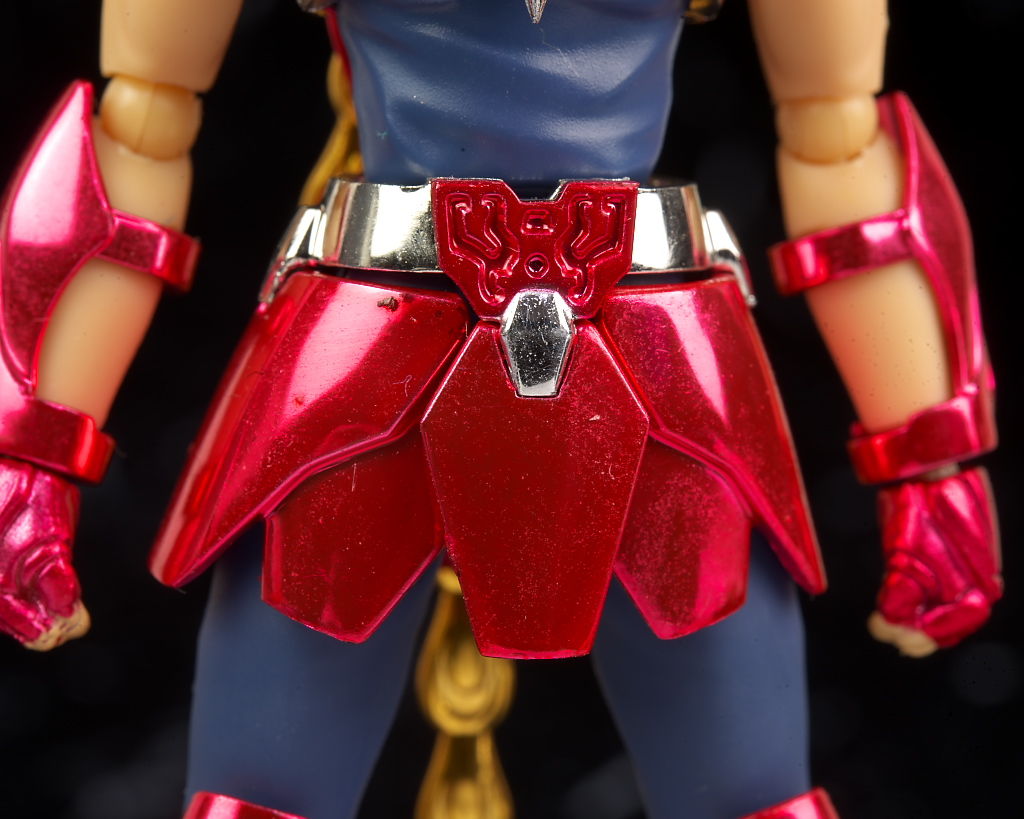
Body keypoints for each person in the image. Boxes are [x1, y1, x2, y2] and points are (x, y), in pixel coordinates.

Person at [0, 2, 1001, 817]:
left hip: (655, 357)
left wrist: (932, 462)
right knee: (259, 797)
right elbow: (136, 130)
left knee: (751, 795)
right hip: (367, 357)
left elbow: (843, 148)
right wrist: (31, 452)